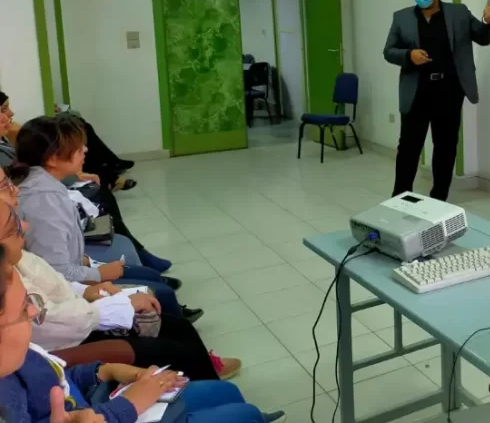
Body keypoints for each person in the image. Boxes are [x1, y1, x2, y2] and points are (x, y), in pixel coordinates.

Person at [0, 169, 241, 381]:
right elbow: (47, 319)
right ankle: (203, 379)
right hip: (67, 338)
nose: (15, 190)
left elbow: (50, 280)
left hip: (76, 316)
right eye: (5, 185)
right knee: (167, 323)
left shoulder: (14, 247)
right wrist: (114, 302)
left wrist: (87, 291)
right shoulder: (40, 202)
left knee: (176, 324)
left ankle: (204, 371)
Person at [0, 250, 285, 422]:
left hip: (104, 404)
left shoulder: (22, 356)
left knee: (228, 393)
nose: (34, 311)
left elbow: (56, 376)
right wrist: (129, 405)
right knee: (244, 415)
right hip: (116, 412)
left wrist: (105, 370)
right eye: (25, 307)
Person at [11, 117, 202, 323]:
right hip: (66, 291)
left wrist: (85, 261)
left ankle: (173, 319)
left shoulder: (45, 186)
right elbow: (58, 274)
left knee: (151, 276)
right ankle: (174, 326)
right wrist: (99, 273)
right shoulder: (44, 202)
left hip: (72, 273)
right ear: (52, 159)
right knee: (162, 293)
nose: (85, 150)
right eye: (77, 148)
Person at [1, 92, 165, 272]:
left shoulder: (9, 142)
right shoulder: (41, 201)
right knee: (101, 196)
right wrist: (98, 275)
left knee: (102, 192)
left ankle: (140, 253)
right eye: (3, 110)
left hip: (72, 259)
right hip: (68, 274)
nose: (10, 115)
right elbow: (60, 271)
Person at [383, 0, 490, 201]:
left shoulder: (458, 13)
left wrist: (487, 21)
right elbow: (388, 51)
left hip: (449, 90)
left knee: (445, 146)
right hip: (416, 91)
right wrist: (409, 55)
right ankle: (400, 197)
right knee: (409, 147)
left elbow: (483, 38)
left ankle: (439, 198)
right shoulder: (402, 17)